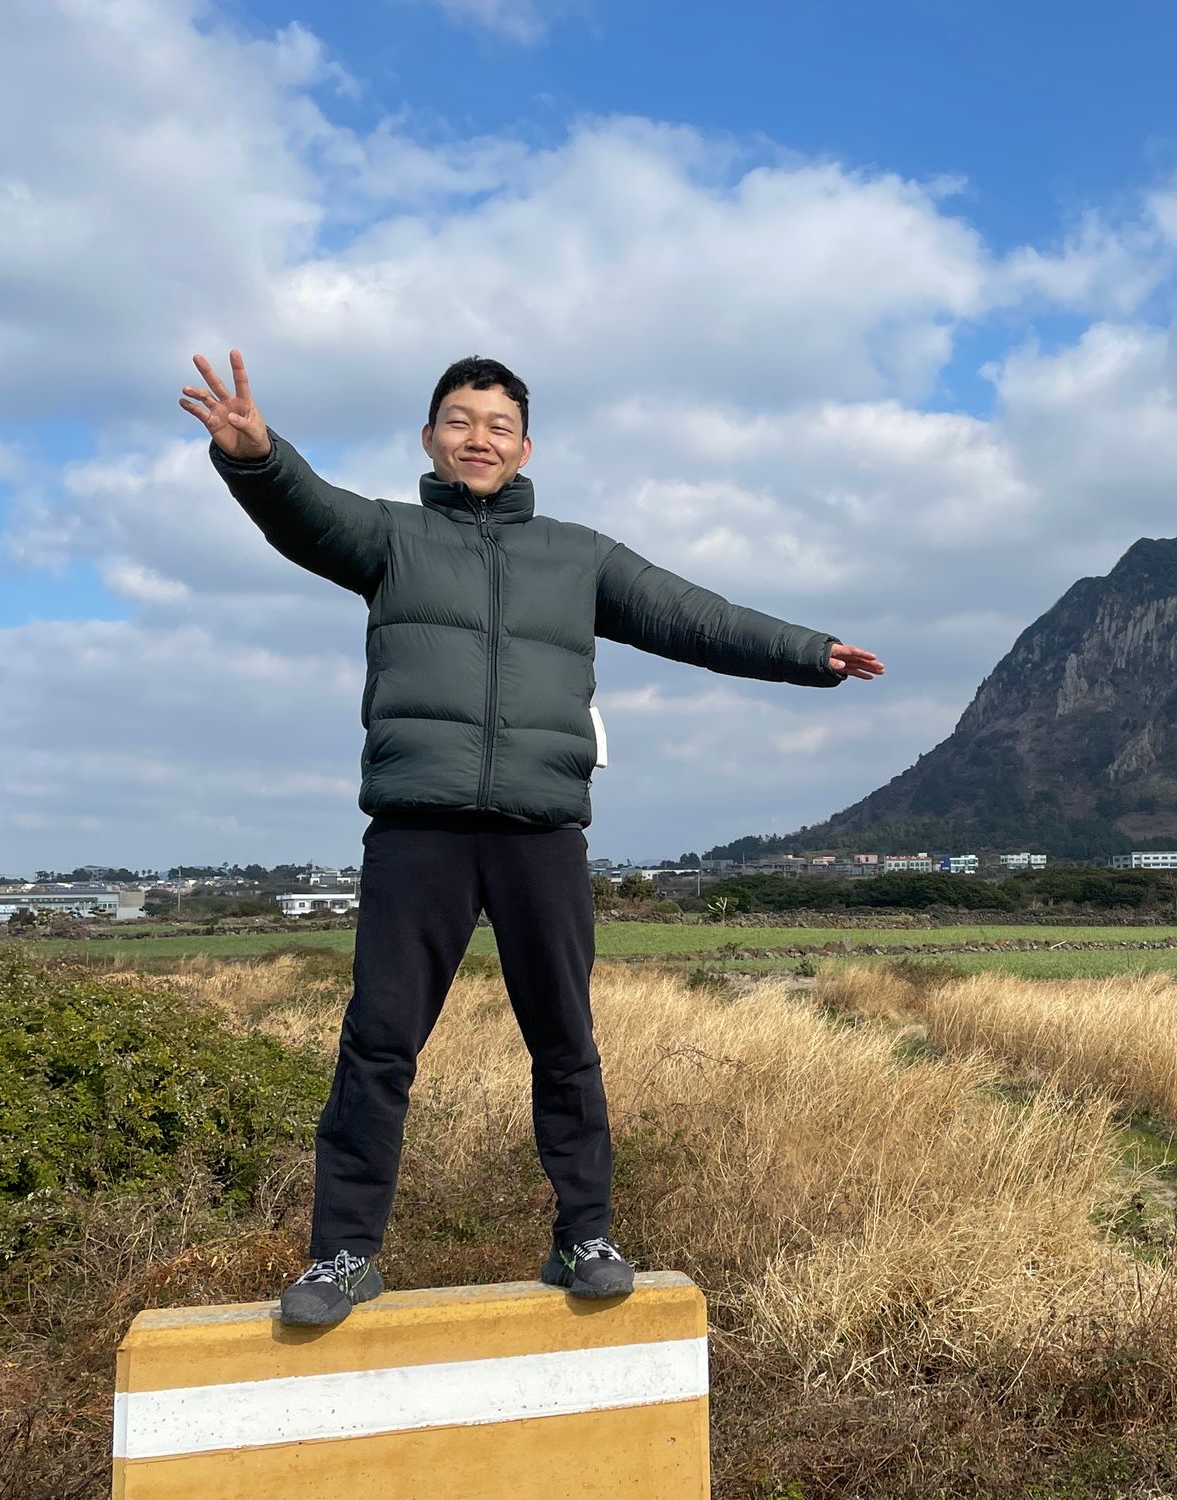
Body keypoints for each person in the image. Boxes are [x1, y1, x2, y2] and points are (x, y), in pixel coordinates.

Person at [181, 350, 884, 1327]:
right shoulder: (390, 539)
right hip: (416, 830)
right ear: (430, 439)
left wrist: (808, 654)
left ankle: (583, 1235)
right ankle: (342, 1256)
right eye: (459, 422)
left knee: (564, 1041)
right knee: (377, 1045)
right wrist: (258, 458)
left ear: (525, 446)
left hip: (540, 833)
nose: (478, 438)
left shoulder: (576, 555)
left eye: (497, 424)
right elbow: (308, 512)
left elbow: (692, 615)